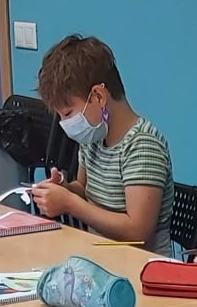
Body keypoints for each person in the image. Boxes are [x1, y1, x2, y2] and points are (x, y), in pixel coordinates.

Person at [31, 33, 176, 252]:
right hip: (101, 256)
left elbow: (138, 231)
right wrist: (65, 189)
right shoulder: (94, 137)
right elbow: (84, 189)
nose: (64, 123)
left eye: (68, 113)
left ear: (98, 96)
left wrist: (70, 203)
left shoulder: (142, 145)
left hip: (140, 264)